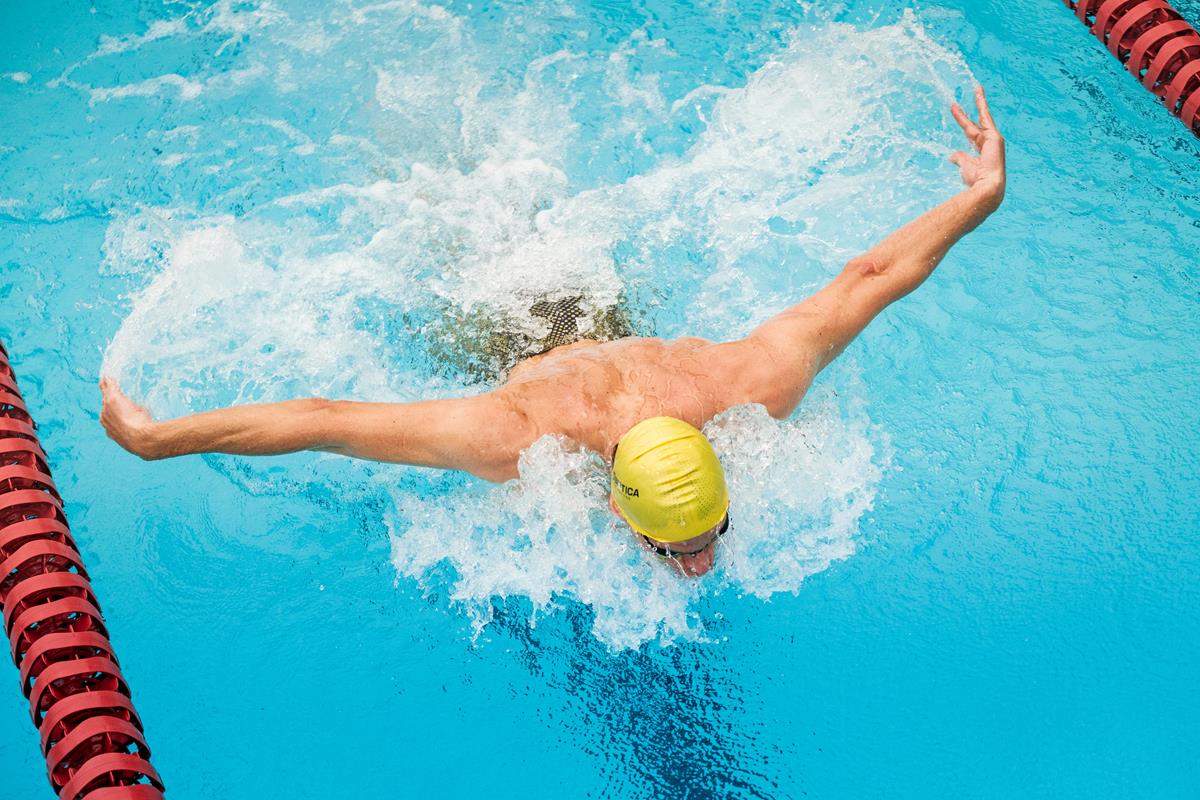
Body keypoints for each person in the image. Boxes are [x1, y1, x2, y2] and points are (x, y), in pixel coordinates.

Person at [101, 87, 1006, 577]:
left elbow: (867, 279)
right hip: (501, 332)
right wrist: (156, 441)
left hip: (591, 311)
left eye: (702, 538)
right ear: (615, 507)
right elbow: (326, 417)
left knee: (512, 215)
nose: (697, 567)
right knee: (449, 217)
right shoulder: (512, 437)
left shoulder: (752, 383)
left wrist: (979, 199)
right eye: (684, 545)